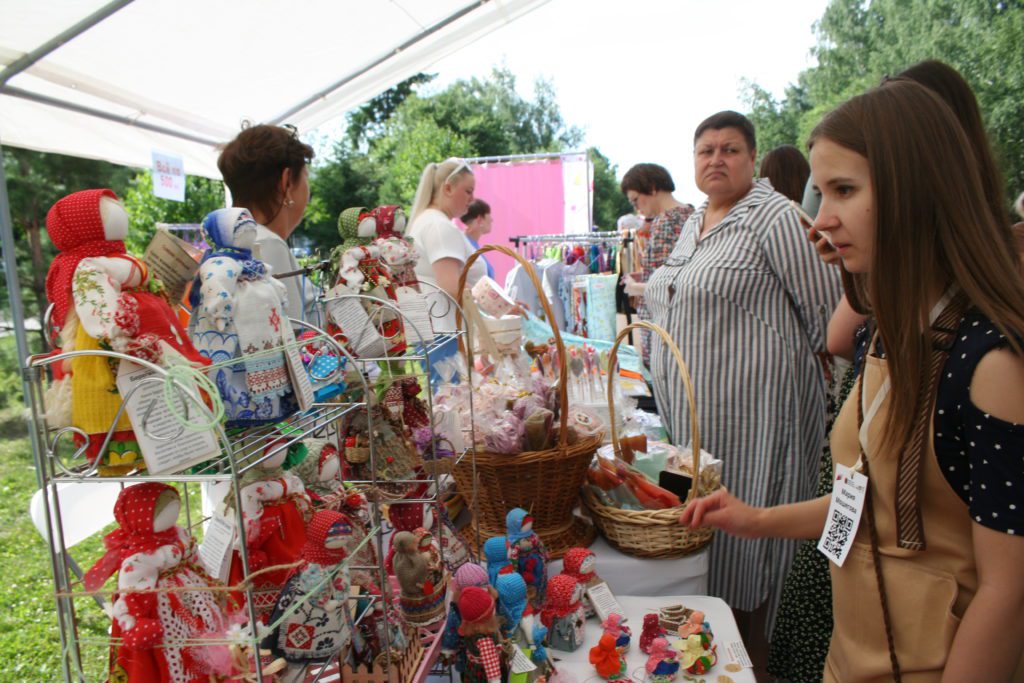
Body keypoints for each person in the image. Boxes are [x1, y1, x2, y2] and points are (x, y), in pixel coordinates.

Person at [683, 81, 1024, 682]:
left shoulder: (990, 365)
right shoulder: (883, 338)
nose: (821, 219)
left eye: (844, 190)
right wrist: (755, 519)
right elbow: (864, 504)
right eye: (823, 190)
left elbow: (1008, 592)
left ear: (915, 193)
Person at [643, 111, 842, 660]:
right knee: (704, 530)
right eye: (706, 150)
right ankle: (707, 651)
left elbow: (828, 308)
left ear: (752, 159)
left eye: (730, 149)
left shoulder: (773, 215)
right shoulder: (691, 224)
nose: (716, 159)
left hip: (758, 421)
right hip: (695, 423)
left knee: (752, 539)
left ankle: (754, 659)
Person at [217, 123, 318, 326]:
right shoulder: (267, 244)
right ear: (287, 181)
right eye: (305, 178)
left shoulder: (222, 244)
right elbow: (297, 340)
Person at [407, 158, 485, 378]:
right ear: (448, 188)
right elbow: (452, 285)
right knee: (452, 402)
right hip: (445, 330)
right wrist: (495, 304)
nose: (472, 199)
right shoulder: (439, 226)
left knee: (447, 401)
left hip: (438, 329)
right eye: (468, 191)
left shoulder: (429, 221)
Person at [618, 163, 694, 365]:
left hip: (663, 327)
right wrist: (644, 276)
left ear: (651, 188)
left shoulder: (664, 222)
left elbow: (670, 284)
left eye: (636, 200)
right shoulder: (692, 215)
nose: (637, 207)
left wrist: (636, 288)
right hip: (684, 326)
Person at [460, 199, 495, 280]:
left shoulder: (472, 244)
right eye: (488, 214)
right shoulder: (464, 244)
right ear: (479, 219)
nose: (492, 220)